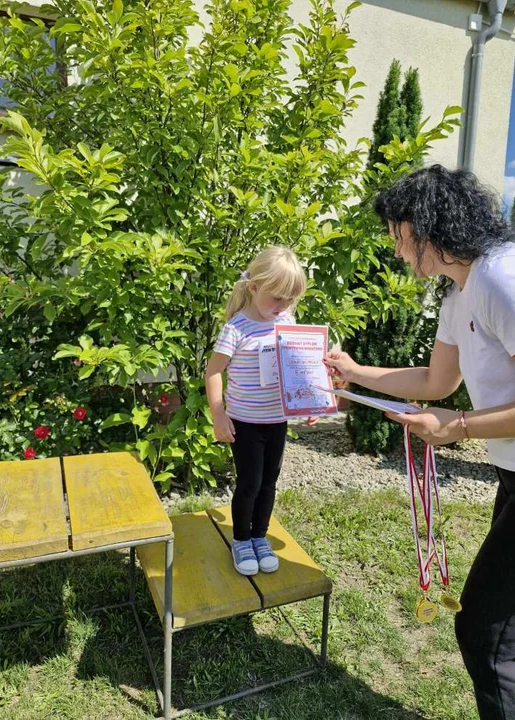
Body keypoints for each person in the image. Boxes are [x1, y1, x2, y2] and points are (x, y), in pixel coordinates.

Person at [324, 164, 515, 720]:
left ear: (427, 227)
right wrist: (355, 371)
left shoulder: (501, 280)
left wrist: (455, 428)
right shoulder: (460, 292)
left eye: (399, 236)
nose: (398, 251)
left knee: (485, 630)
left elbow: (448, 406)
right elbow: (436, 382)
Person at [205, 246, 307, 576]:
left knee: (269, 484)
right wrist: (219, 413)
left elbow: (297, 367)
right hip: (245, 424)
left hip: (276, 421)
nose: (284, 307)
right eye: (277, 298)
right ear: (254, 288)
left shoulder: (287, 321)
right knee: (249, 483)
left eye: (290, 300)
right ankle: (241, 540)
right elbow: (213, 372)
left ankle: (260, 538)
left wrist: (309, 400)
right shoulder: (236, 329)